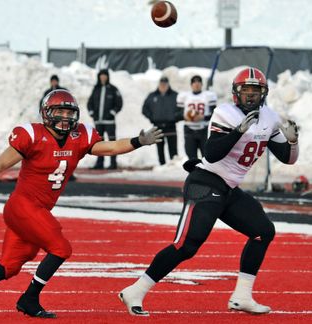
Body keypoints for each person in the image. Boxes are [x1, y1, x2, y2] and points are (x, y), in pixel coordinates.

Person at [0, 89, 163, 318]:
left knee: (9, 266)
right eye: (60, 111)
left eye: (69, 112)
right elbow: (0, 164)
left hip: (37, 211)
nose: (65, 117)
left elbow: (112, 147)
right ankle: (30, 298)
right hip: (22, 206)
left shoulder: (79, 137)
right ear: (46, 113)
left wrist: (138, 141)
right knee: (61, 248)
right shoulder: (32, 135)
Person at [119, 67, 299, 316]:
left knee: (263, 231)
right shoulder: (225, 113)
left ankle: (242, 296)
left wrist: (292, 142)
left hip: (229, 189)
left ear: (263, 93)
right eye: (245, 90)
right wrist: (238, 132)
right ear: (236, 93)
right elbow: (212, 153)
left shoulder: (269, 117)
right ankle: (135, 291)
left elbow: (288, 159)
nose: (250, 95)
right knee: (187, 245)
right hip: (206, 182)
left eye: (255, 91)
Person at [87, 69, 123, 169]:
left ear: (107, 77)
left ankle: (113, 163)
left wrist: (113, 112)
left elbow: (119, 103)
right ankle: (99, 163)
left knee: (112, 142)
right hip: (98, 121)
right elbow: (90, 102)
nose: (103, 77)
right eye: (101, 76)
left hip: (109, 122)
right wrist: (92, 112)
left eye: (105, 76)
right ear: (99, 77)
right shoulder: (96, 89)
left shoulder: (113, 89)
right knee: (99, 144)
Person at [177, 75, 217, 159]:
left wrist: (203, 117)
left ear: (202, 84)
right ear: (191, 85)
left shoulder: (208, 96)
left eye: (199, 81)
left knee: (206, 157)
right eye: (194, 82)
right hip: (189, 130)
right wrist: (185, 117)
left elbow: (214, 114)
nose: (196, 84)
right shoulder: (184, 96)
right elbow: (177, 115)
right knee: (191, 158)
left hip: (204, 129)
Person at [142, 76, 179, 165]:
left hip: (171, 126)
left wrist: (175, 117)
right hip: (157, 126)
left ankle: (174, 166)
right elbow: (144, 109)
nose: (163, 85)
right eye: (161, 84)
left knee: (173, 148)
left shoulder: (175, 95)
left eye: (165, 84)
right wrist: (151, 117)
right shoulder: (152, 95)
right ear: (159, 84)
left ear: (168, 84)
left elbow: (181, 109)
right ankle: (162, 165)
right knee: (160, 147)